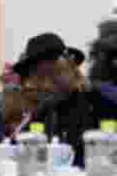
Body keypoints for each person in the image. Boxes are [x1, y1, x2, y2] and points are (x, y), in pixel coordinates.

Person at [15, 32, 117, 167]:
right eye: (38, 77)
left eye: (53, 74)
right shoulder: (43, 111)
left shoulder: (103, 102)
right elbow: (19, 151)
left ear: (71, 65)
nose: (46, 85)